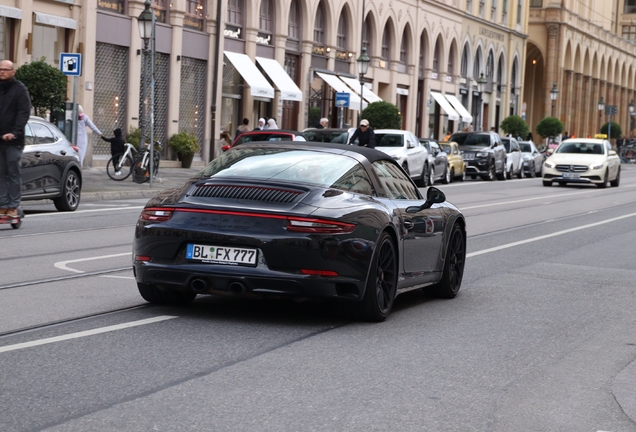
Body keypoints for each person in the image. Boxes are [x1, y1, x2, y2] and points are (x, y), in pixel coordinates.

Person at [0, 60, 31, 219]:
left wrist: (15, 132)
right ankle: (3, 204)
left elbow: (23, 113)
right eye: (1, 69)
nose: (2, 72)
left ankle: (13, 206)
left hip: (13, 141)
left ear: (13, 72)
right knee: (0, 173)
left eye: (6, 69)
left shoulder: (20, 90)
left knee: (12, 173)